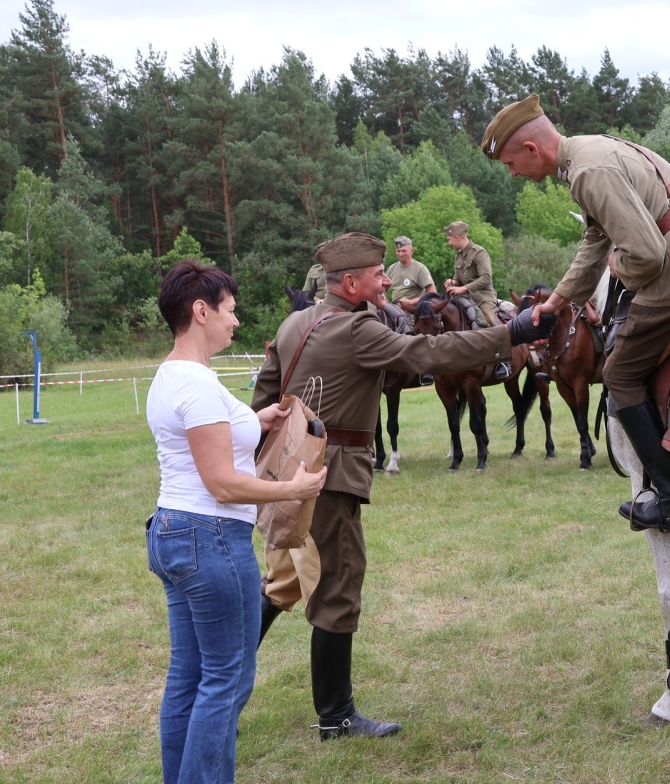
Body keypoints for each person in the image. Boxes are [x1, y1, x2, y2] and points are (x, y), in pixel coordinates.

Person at [251, 232, 555, 740]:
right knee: (337, 585)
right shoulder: (355, 328)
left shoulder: (293, 323)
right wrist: (512, 333)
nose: (387, 279)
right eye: (376, 275)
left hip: (286, 475)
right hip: (331, 474)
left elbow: (262, 398)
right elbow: (430, 352)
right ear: (350, 283)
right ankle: (336, 717)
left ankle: (217, 685)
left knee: (282, 584)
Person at [482, 94, 670, 534]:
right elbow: (595, 239)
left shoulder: (588, 172)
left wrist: (618, 265)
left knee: (621, 374)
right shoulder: (591, 150)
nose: (512, 175)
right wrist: (557, 302)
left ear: (531, 150)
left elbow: (646, 255)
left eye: (511, 164)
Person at [146, 260, 326, 783]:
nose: (236, 321)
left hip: (176, 534)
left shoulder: (175, 375)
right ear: (200, 311)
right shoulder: (198, 386)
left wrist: (258, 418)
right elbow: (223, 483)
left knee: (190, 676)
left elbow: (212, 434)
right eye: (230, 310)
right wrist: (291, 489)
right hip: (211, 541)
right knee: (226, 679)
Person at [443, 221, 512, 379]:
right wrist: (452, 283)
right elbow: (458, 280)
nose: (448, 242)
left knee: (491, 321)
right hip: (464, 297)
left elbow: (486, 278)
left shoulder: (479, 252)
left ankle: (504, 361)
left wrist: (464, 288)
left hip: (483, 297)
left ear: (456, 237)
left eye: (449, 239)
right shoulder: (458, 256)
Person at [386, 235, 437, 317]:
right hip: (394, 309)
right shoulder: (392, 268)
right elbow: (383, 288)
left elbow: (433, 292)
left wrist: (411, 302)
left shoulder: (420, 269)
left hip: (413, 311)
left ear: (411, 251)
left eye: (404, 251)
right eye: (398, 251)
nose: (401, 254)